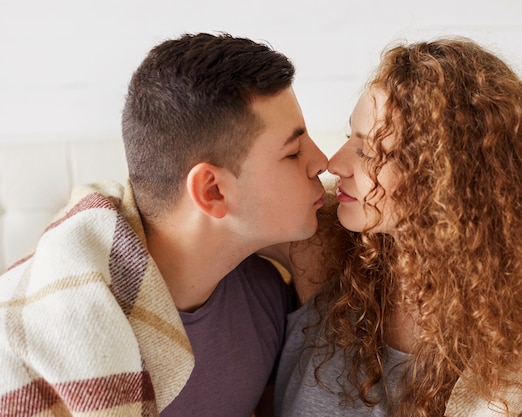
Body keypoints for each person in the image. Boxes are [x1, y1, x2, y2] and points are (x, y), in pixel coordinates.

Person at [0, 32, 328, 417]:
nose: (321, 160)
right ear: (212, 191)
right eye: (293, 152)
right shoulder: (49, 332)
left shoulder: (262, 299)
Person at [268, 37, 522, 417]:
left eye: (368, 150)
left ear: (442, 180)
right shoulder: (323, 245)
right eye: (349, 136)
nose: (335, 164)